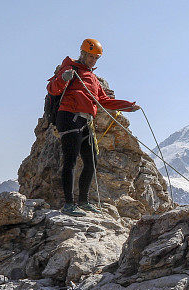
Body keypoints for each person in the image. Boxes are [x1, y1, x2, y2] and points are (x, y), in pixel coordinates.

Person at [47, 38, 140, 216]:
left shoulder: (92, 78)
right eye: (91, 57)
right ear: (82, 53)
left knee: (91, 161)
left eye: (96, 58)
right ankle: (68, 204)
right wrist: (64, 79)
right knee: (71, 161)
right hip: (69, 118)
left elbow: (103, 101)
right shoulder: (70, 68)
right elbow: (52, 88)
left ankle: (83, 201)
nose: (93, 60)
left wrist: (128, 106)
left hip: (85, 121)